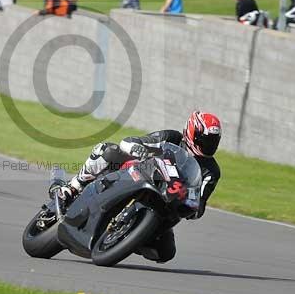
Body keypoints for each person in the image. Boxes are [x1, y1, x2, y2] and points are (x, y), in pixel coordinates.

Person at [50, 111, 222, 262]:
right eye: (205, 139)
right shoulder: (172, 137)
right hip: (140, 174)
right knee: (108, 151)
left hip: (169, 203)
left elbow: (200, 202)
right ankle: (73, 187)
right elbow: (138, 141)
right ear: (191, 132)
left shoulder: (211, 171)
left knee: (166, 252)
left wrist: (193, 208)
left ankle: (128, 239)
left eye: (213, 141)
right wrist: (138, 147)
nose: (208, 145)